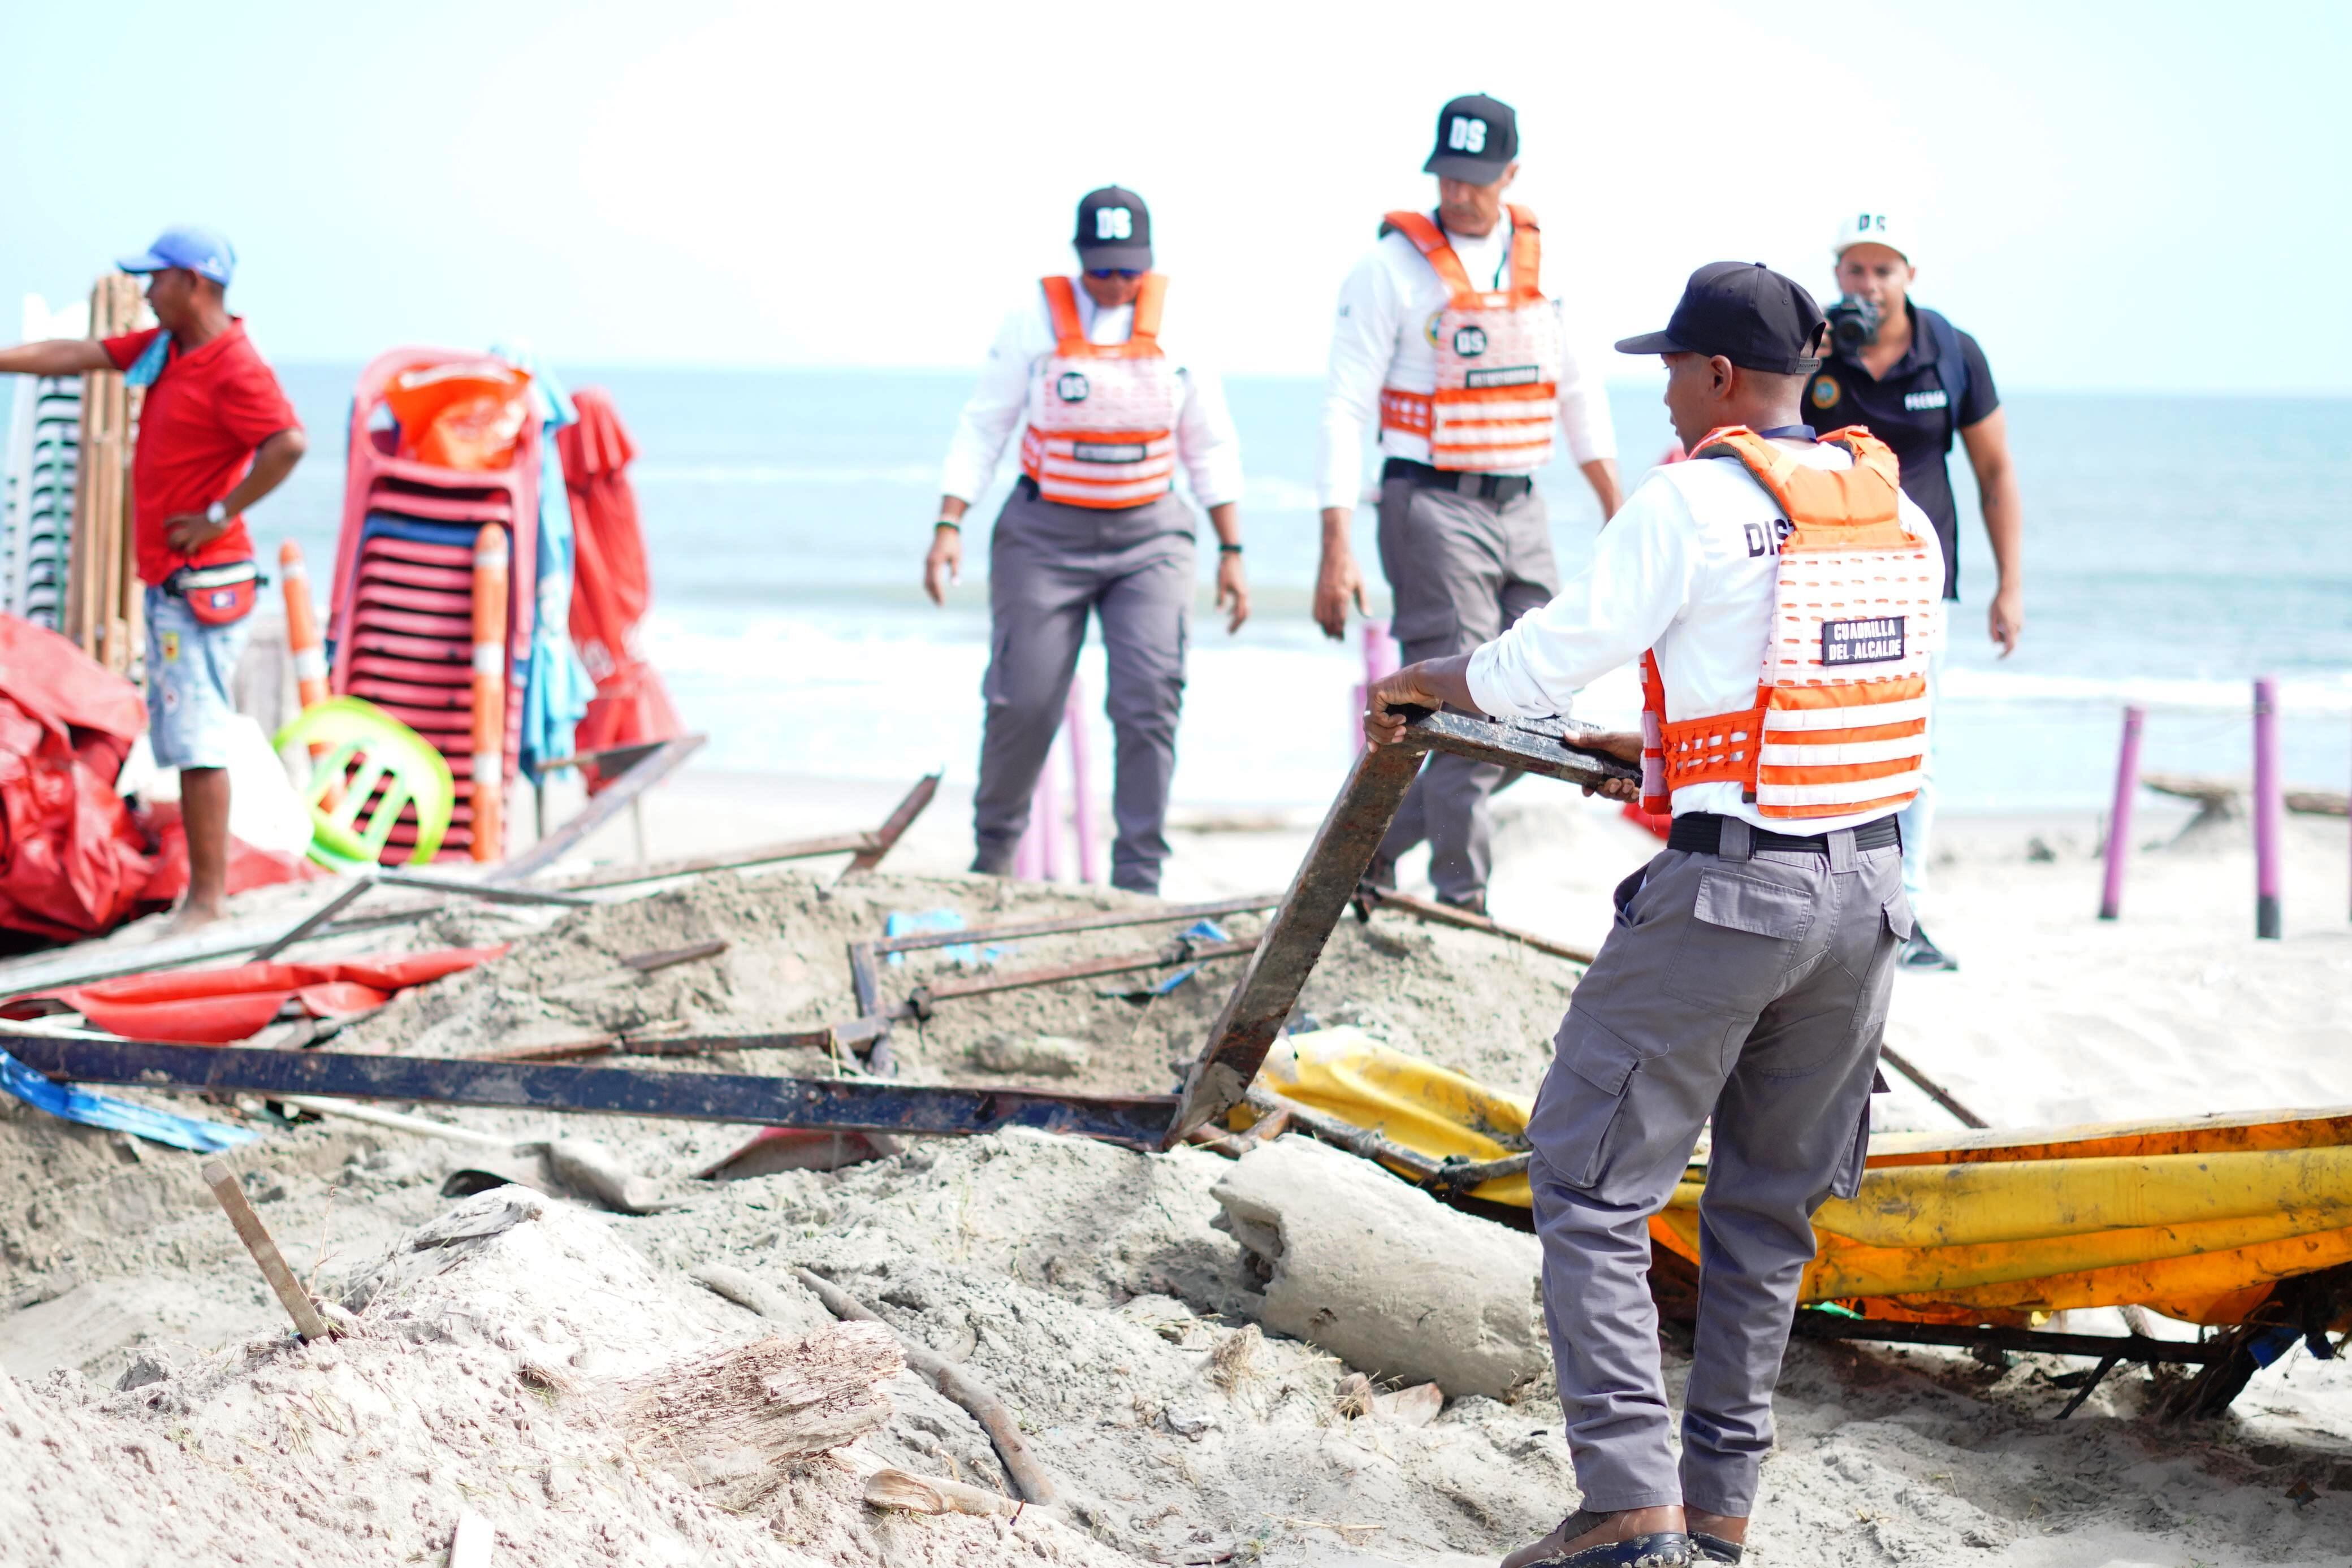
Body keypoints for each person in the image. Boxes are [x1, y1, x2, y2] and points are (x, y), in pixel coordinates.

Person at [1365, 262, 1943, 1568]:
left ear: (1723, 378)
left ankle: (1628, 1499)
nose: (1663, 393)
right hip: (1867, 899)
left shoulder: (1689, 502)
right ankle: (1722, 1512)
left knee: (1585, 1177)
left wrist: (1425, 676)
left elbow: (1528, 669)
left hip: (1731, 896)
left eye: (1672, 369)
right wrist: (1667, 749)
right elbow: (1815, 702)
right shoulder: (1889, 510)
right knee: (1762, 1214)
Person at [1315, 92, 1622, 915]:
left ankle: (1368, 848)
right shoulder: (1387, 271)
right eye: (1447, 176)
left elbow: (1579, 391)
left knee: (1543, 697)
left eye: (1476, 180)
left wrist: (1614, 503)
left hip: (1520, 505)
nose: (1459, 193)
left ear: (1510, 176)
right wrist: (1335, 543)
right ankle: (1464, 901)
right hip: (1428, 504)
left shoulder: (1545, 269)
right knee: (1463, 696)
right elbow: (1345, 406)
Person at [927, 188, 1245, 895]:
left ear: (1149, 262)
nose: (1116, 282)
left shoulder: (1180, 324)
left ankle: (1137, 877)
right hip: (1044, 534)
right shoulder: (1032, 319)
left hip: (1150, 535)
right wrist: (950, 522)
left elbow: (1210, 443)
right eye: (1102, 269)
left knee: (1148, 695)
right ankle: (993, 862)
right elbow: (985, 424)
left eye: (1129, 269)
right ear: (1078, 260)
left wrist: (1232, 551)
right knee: (1024, 698)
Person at [0, 226, 306, 930]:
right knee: (184, 730)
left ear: (194, 282)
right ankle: (205, 895)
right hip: (174, 575)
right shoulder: (170, 350)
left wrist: (218, 512)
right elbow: (80, 355)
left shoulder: (234, 365)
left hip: (202, 576)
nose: (145, 292)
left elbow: (289, 442)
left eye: (157, 279)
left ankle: (207, 902)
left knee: (198, 738)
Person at [1806, 210, 2022, 971]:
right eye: (1855, 270)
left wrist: (2009, 587)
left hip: (1919, 583)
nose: (1867, 284)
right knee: (1823, 740)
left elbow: (1995, 473)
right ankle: (1826, 899)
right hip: (1821, 578)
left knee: (1913, 750)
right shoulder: (1813, 343)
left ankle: (1907, 913)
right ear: (1838, 273)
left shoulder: (1952, 353)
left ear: (1909, 276)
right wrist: (1815, 354)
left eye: (1882, 270)